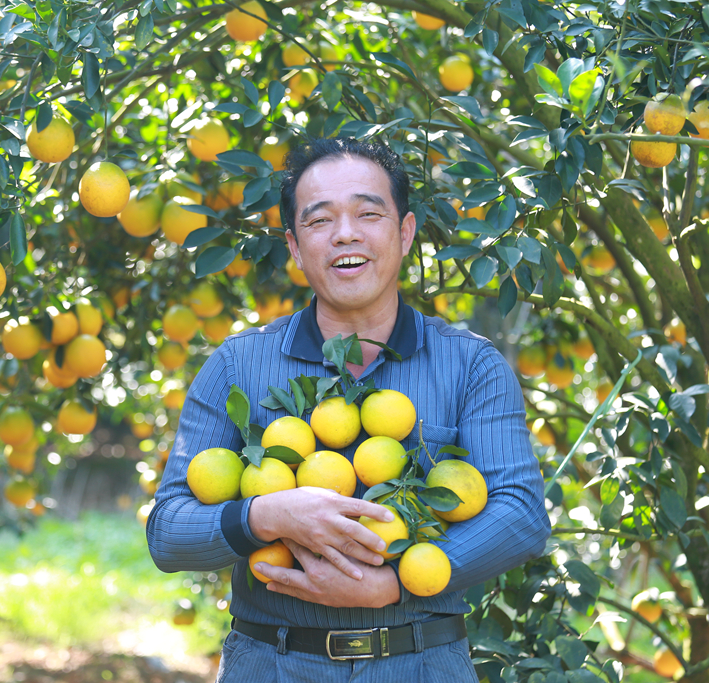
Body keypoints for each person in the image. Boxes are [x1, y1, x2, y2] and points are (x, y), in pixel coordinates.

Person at [147, 137, 550, 682]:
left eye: (368, 213)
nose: (345, 234)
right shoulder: (238, 366)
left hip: (423, 664)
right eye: (319, 221)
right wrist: (265, 515)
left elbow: (520, 514)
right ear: (294, 246)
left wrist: (397, 583)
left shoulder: (470, 365)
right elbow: (168, 531)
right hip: (272, 664)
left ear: (404, 233)